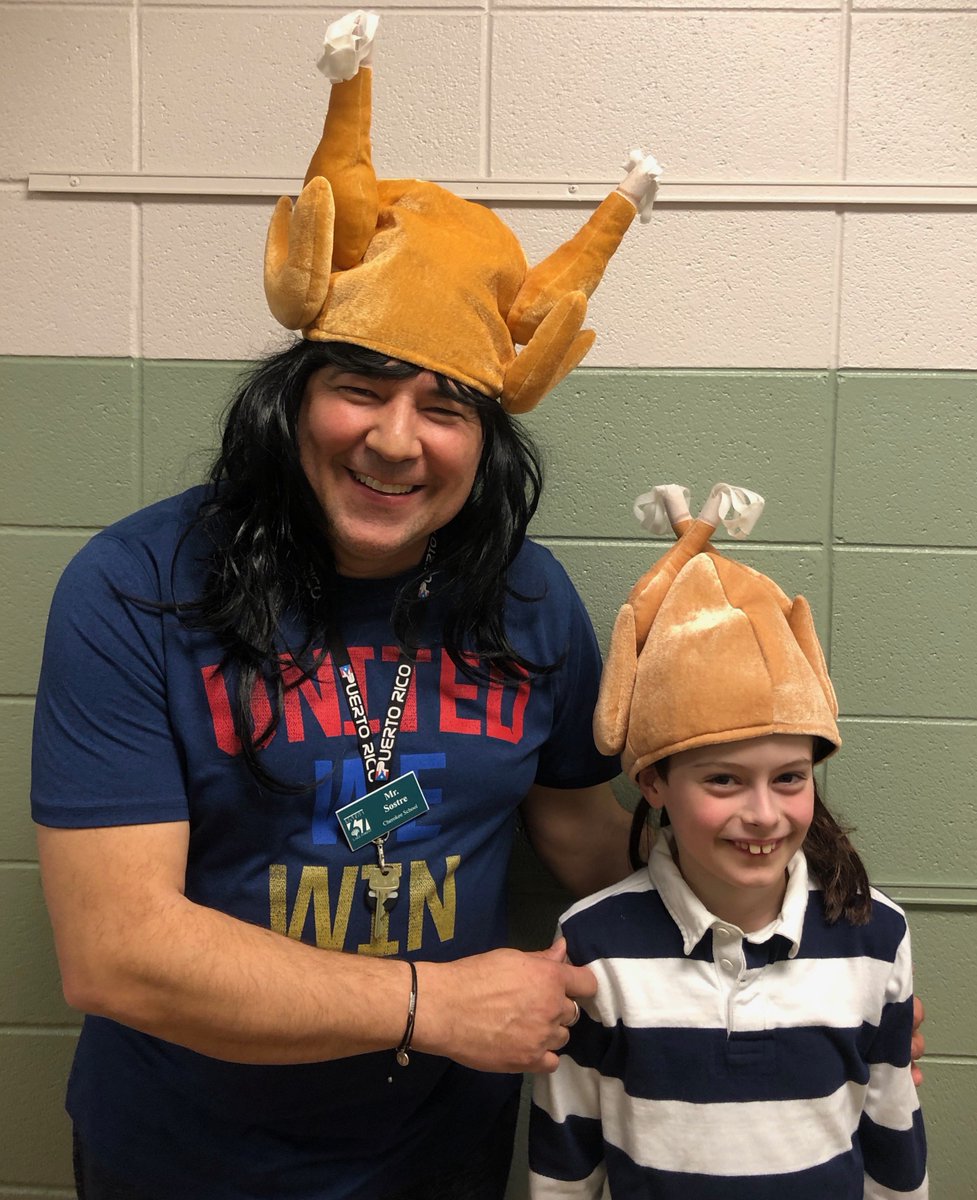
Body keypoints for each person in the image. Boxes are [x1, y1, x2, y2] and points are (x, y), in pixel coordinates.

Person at [31, 12, 666, 1199]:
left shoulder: (524, 596)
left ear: (486, 438)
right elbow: (117, 955)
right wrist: (435, 1004)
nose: (394, 440)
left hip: (441, 1155)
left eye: (445, 407)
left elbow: (582, 835)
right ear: (290, 398)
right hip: (185, 1158)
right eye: (361, 388)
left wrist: (790, 926)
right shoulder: (131, 589)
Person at [529, 483, 928, 1199]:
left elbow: (893, 1138)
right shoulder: (589, 945)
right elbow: (565, 1161)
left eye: (789, 778)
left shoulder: (876, 935)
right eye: (721, 781)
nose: (763, 814)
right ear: (652, 783)